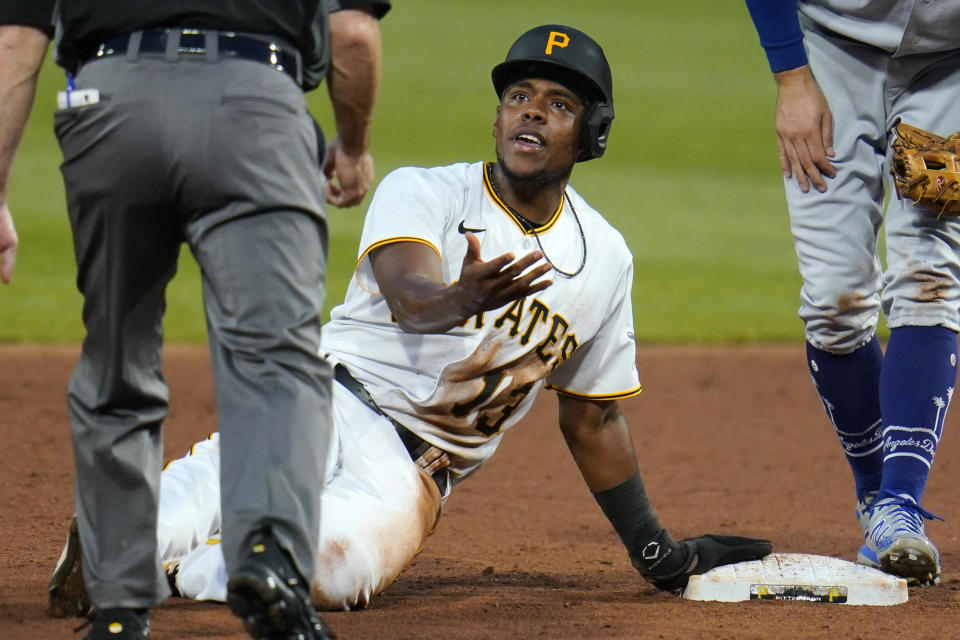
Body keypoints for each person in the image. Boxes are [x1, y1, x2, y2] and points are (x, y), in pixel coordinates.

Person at [47, 23, 773, 617]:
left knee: (333, 574)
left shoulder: (607, 259)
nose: (529, 110)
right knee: (198, 492)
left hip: (410, 471)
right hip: (320, 399)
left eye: (557, 104)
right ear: (495, 116)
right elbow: (410, 295)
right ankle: (119, 547)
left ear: (592, 134)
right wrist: (464, 298)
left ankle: (174, 572)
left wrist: (656, 552)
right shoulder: (427, 192)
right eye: (518, 95)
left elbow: (594, 421)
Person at [1, 1, 389, 638]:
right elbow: (351, 33)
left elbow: (17, 39)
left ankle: (120, 603)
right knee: (276, 361)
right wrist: (352, 148)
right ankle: (269, 559)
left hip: (107, 104)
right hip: (255, 104)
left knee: (116, 359)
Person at [744, 2, 960, 586]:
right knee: (833, 301)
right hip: (831, 54)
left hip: (951, 67)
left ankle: (899, 507)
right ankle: (873, 493)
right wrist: (791, 76)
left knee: (929, 280)